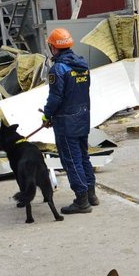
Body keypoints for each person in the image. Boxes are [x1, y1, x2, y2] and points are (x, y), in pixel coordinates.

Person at [42, 27, 98, 214]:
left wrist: (47, 115)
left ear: (54, 47)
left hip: (66, 122)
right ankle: (91, 194)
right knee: (83, 157)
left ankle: (82, 201)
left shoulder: (58, 69)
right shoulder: (82, 65)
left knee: (72, 161)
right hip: (83, 117)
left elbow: (55, 98)